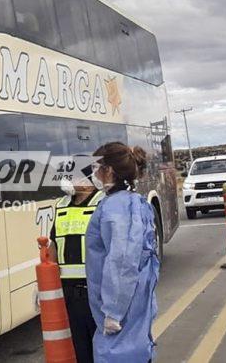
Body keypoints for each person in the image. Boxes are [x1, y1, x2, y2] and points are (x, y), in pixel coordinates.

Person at [85, 142, 159, 362]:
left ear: (110, 171)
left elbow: (122, 261)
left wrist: (113, 312)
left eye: (98, 167)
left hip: (120, 308)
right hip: (135, 300)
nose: (94, 174)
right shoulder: (133, 202)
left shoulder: (115, 209)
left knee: (117, 353)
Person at [48, 175, 104, 363]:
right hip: (70, 294)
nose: (67, 181)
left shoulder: (101, 203)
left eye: (73, 176)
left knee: (103, 349)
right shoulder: (62, 205)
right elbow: (54, 244)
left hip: (97, 293)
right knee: (81, 350)